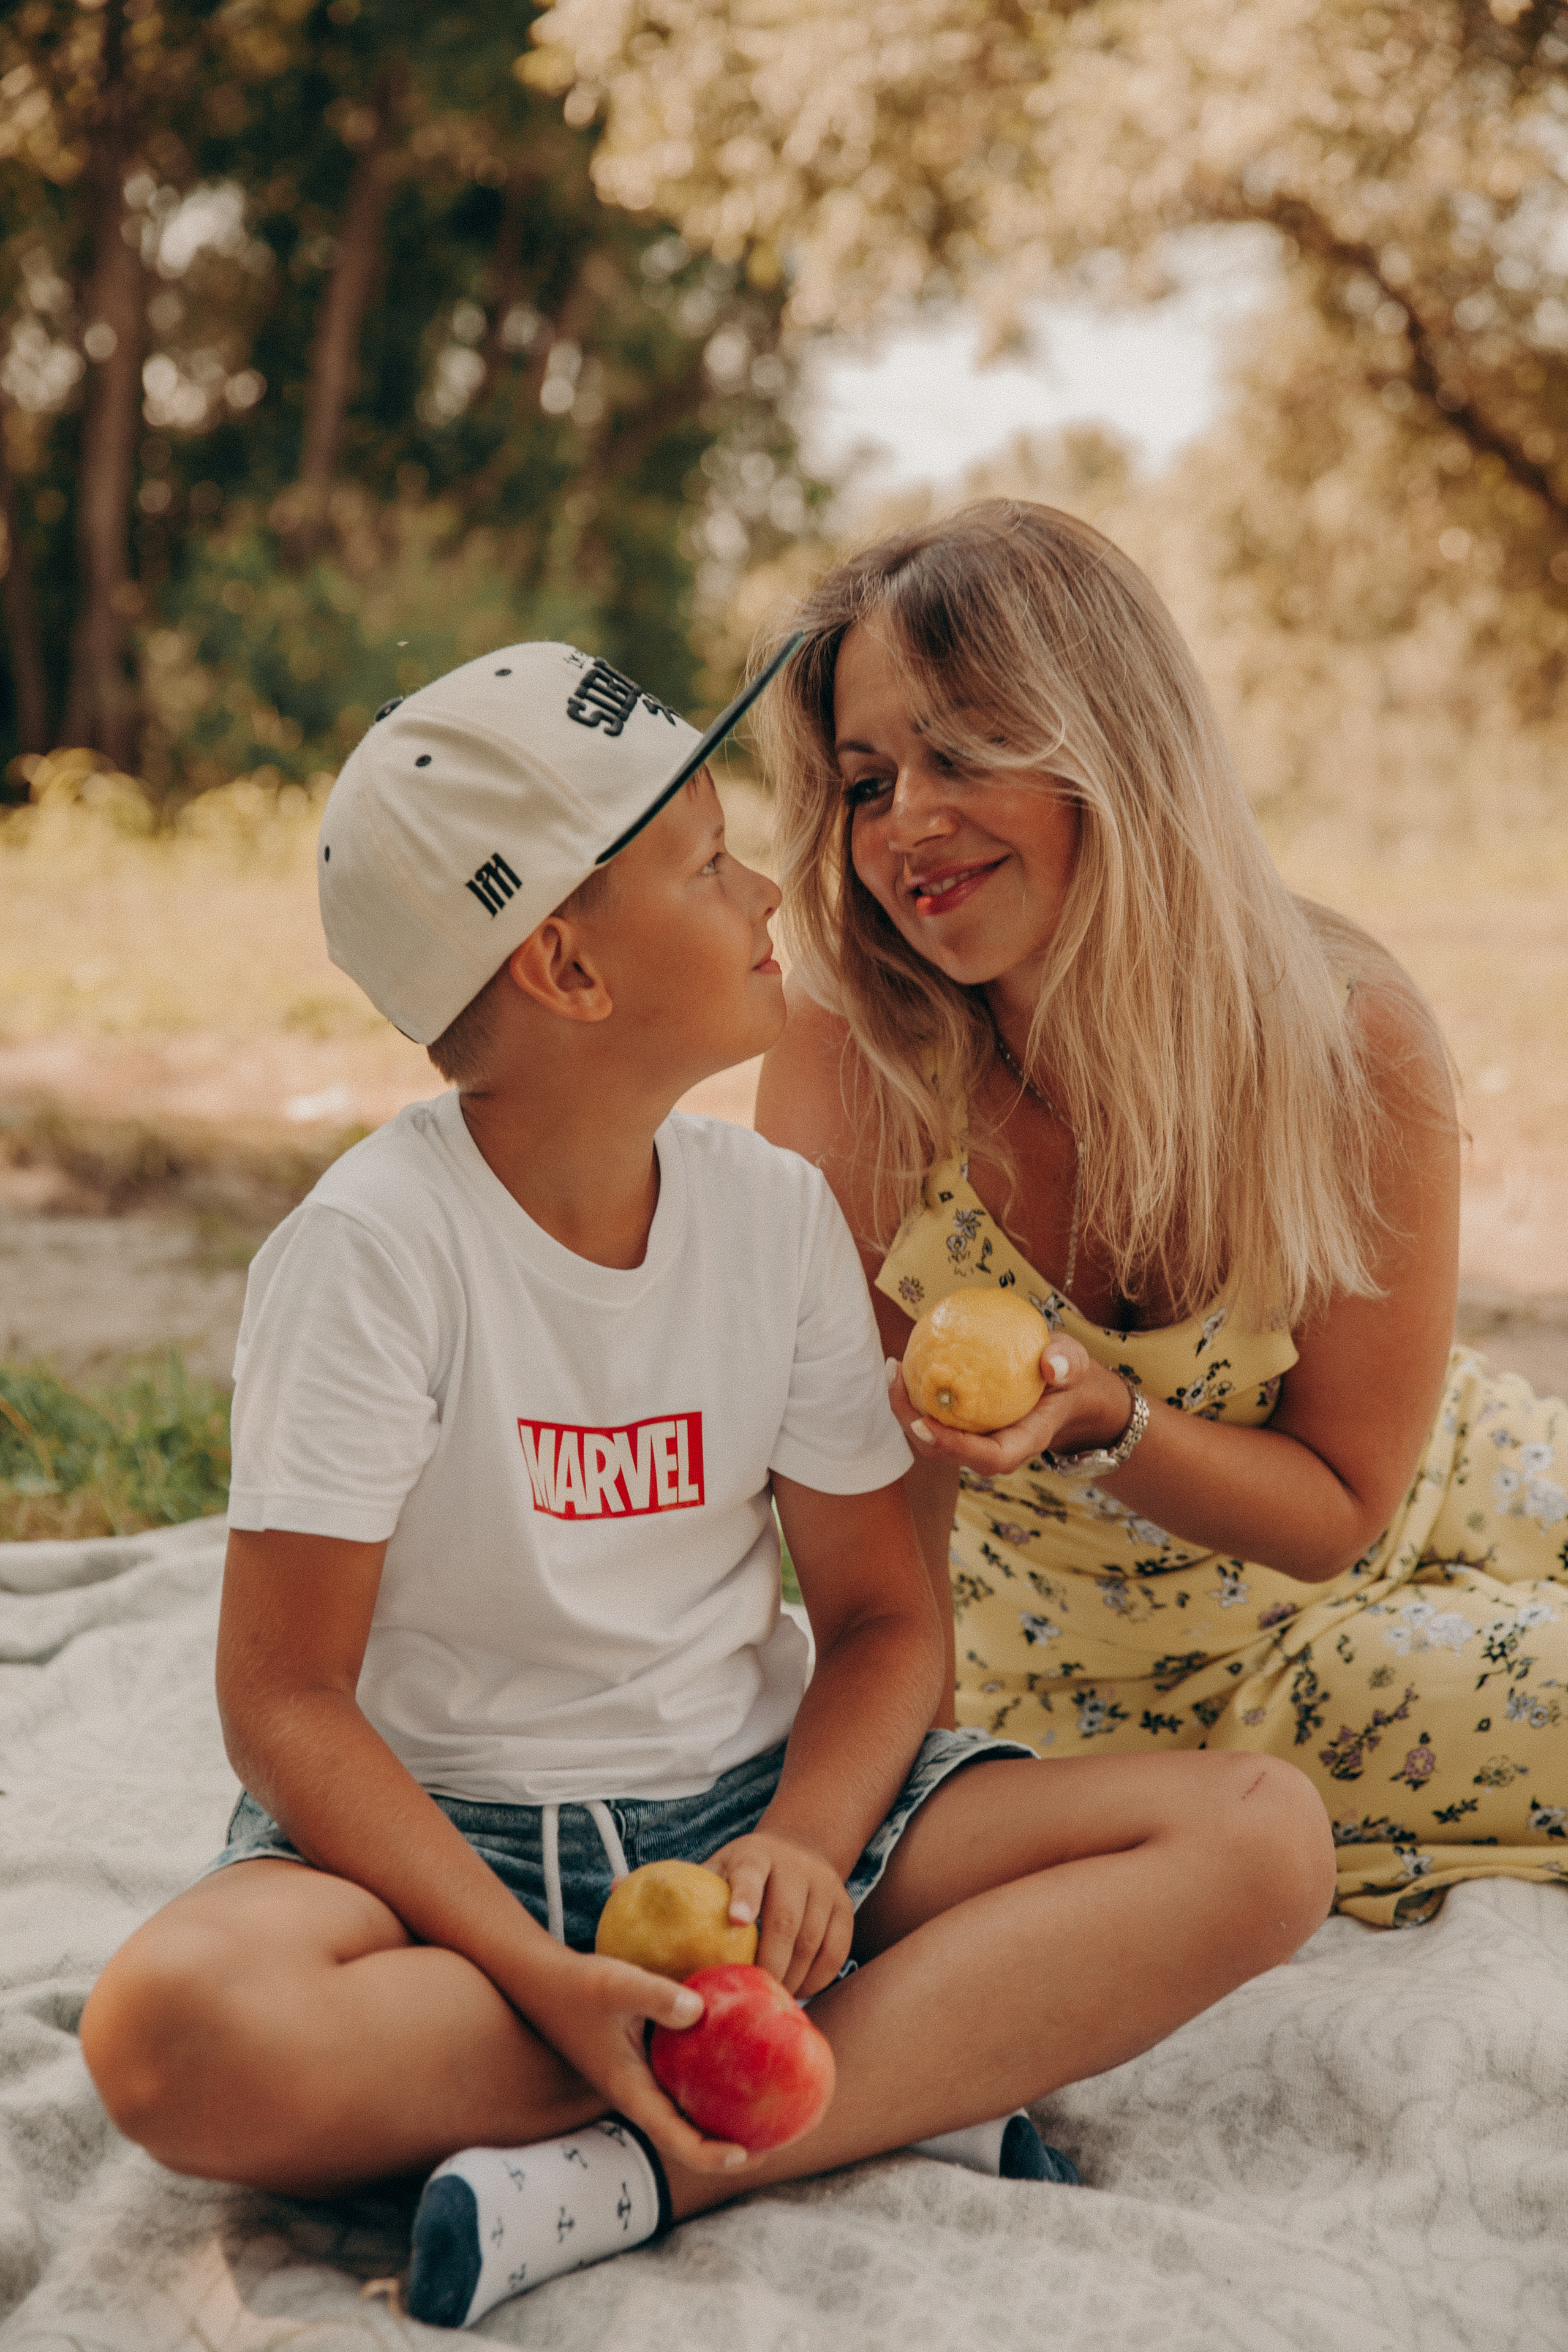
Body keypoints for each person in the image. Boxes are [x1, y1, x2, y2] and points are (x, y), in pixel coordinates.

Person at [78, 639, 1331, 2331]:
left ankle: (640, 2163)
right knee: (169, 2037)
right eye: (705, 863)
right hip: (443, 1876)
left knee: (1261, 1837)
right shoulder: (371, 1255)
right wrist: (537, 1971)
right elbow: (285, 1702)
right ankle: (879, 2071)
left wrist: (808, 1853)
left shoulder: (774, 1218)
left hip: (753, 1831)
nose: (770, 893)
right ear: (567, 969)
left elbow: (883, 1621)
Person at [753, 497, 1568, 1935]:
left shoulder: (1342, 1033)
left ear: (1103, 743)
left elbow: (1342, 1492)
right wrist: (901, 1823)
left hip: (1447, 1468)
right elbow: (883, 1515)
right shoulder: (857, 1058)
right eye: (867, 781)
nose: (906, 827)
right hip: (1174, 1679)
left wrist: (1099, 1413)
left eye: (961, 751)